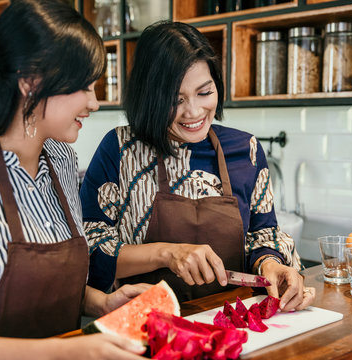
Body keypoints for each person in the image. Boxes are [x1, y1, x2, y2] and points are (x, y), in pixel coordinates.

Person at [0, 1, 149, 359]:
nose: (95, 103)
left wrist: (101, 302)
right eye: (85, 87)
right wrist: (61, 353)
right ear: (31, 82)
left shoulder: (62, 159)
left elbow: (47, 285)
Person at [80, 21, 316, 308]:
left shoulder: (247, 150)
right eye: (175, 100)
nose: (194, 112)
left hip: (233, 324)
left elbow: (262, 235)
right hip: (149, 327)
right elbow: (89, 253)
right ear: (149, 98)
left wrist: (270, 264)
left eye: (204, 93)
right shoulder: (119, 149)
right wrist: (167, 253)